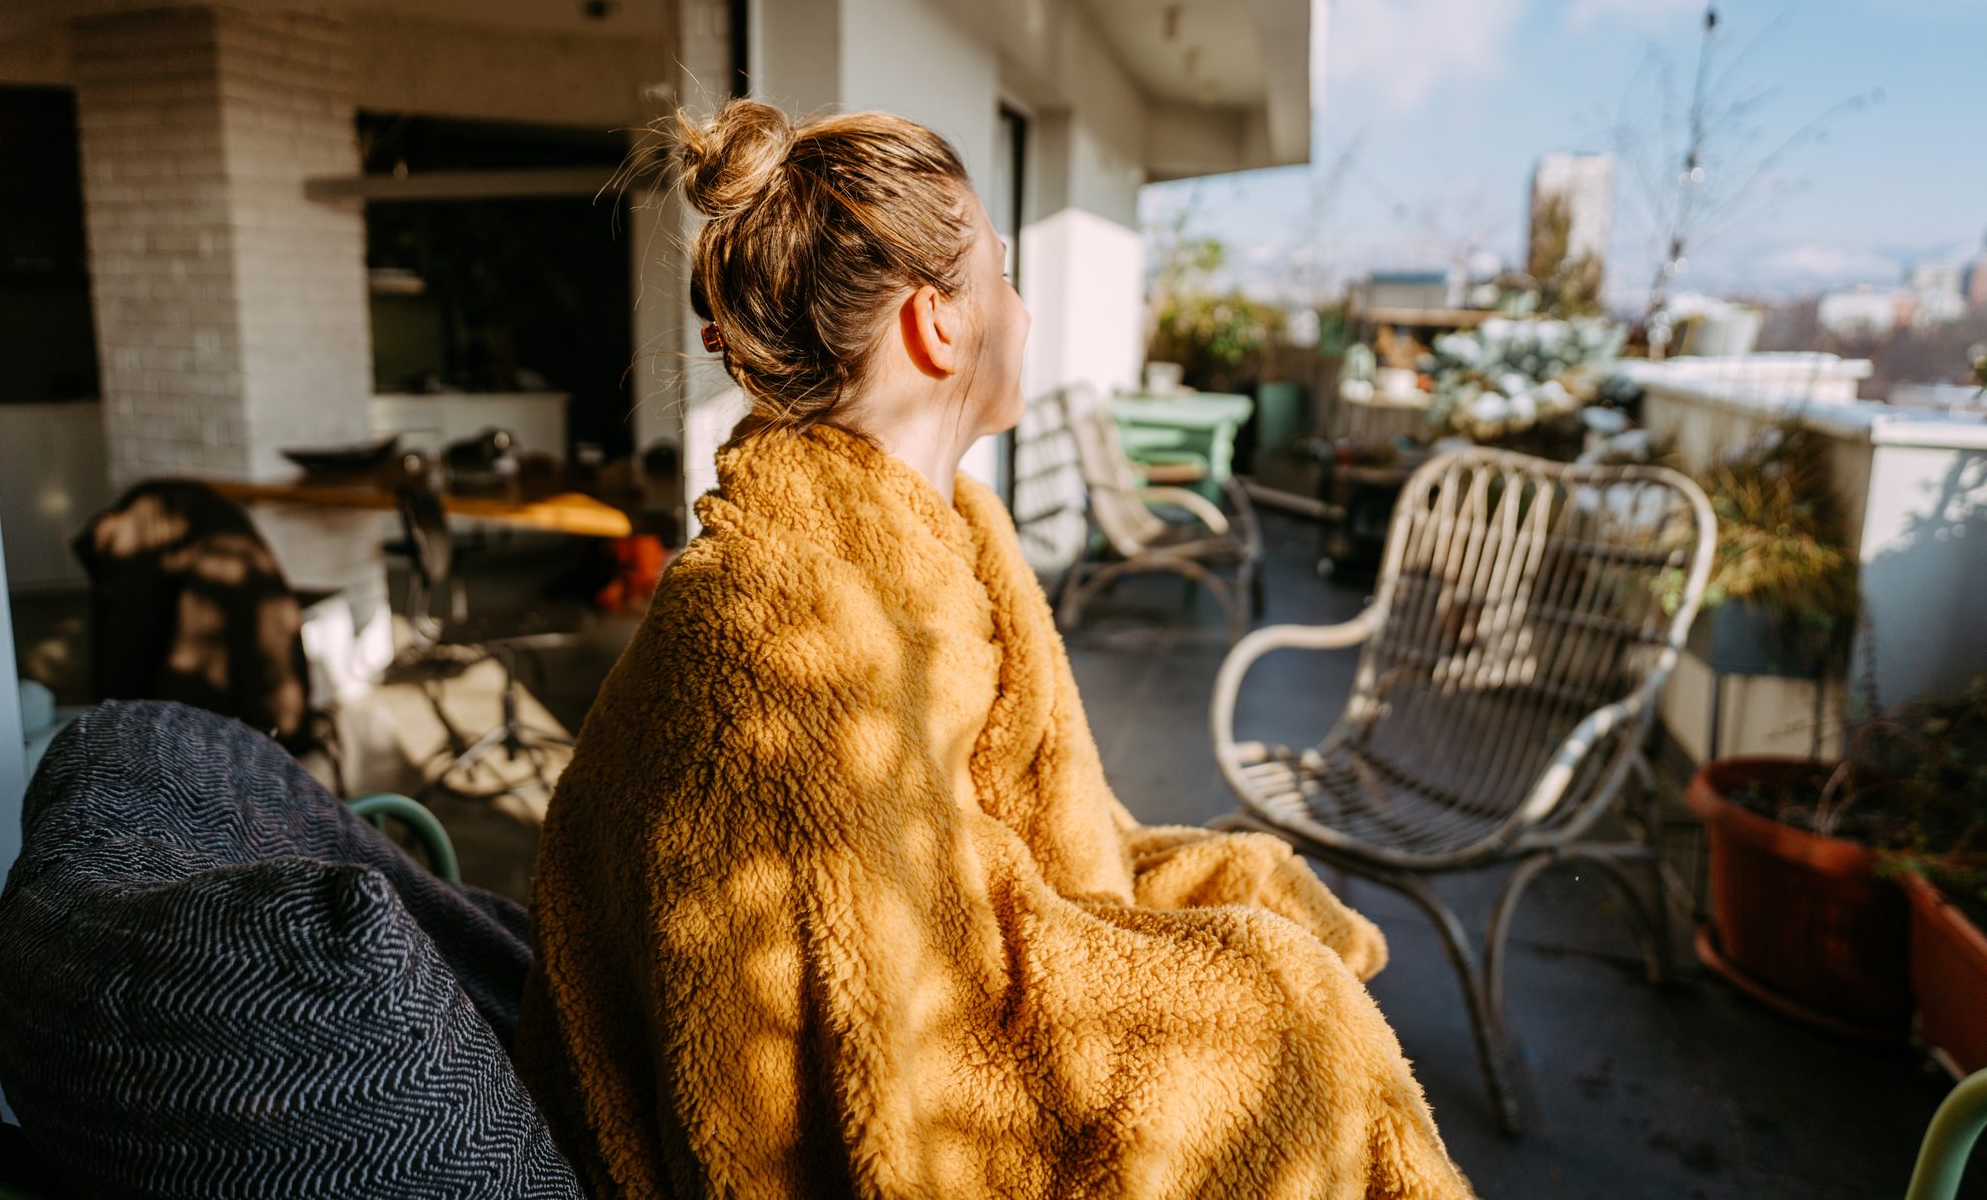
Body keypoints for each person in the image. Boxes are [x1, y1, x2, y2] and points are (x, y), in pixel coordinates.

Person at [517, 100, 1472, 1199]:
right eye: (1003, 277)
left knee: (1261, 899)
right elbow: (916, 1064)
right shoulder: (785, 645)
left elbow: (1043, 833)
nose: (1021, 312)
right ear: (937, 325)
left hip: (995, 948)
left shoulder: (959, 534)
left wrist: (1221, 891)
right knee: (1293, 1013)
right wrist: (1271, 992)